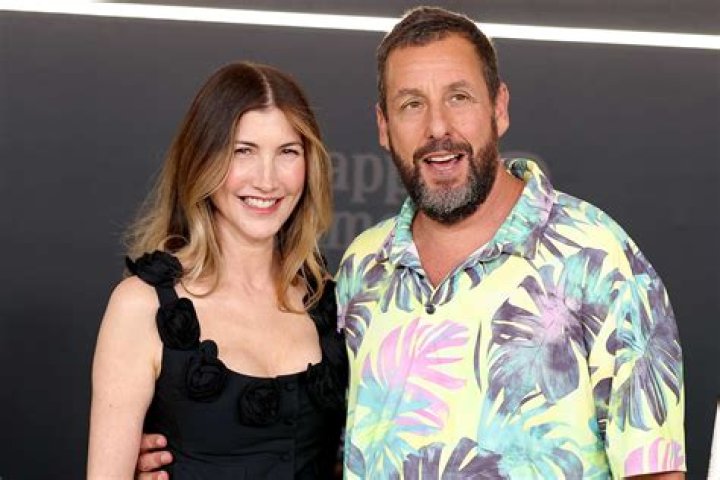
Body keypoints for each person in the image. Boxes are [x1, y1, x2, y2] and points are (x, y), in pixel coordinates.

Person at [137, 6, 686, 479]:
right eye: (411, 104)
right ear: (383, 125)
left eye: (459, 97)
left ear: (499, 107)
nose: (437, 128)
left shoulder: (600, 260)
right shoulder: (361, 269)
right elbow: (309, 445)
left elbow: (656, 469)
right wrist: (193, 455)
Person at [87, 61, 347, 479]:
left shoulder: (332, 301)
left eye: (287, 152)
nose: (267, 180)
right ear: (202, 159)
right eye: (243, 151)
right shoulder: (141, 307)